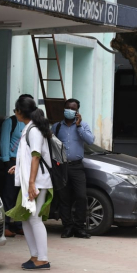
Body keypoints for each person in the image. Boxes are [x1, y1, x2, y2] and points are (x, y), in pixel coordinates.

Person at [6, 96, 53, 270]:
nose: (15, 113)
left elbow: (36, 156)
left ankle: (43, 259)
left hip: (38, 181)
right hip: (32, 181)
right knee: (26, 219)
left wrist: (32, 183)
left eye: (15, 110)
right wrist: (17, 168)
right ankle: (35, 256)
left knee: (34, 219)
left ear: (20, 112)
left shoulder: (33, 130)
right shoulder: (30, 128)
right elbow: (27, 157)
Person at [52, 98, 95, 239]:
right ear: (64, 109)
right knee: (64, 198)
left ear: (77, 111)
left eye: (73, 109)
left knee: (81, 197)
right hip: (61, 167)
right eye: (67, 108)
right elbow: (50, 145)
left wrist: (79, 126)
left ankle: (79, 228)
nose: (69, 111)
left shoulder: (84, 125)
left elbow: (90, 140)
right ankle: (67, 227)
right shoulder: (57, 127)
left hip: (77, 167)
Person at [0, 94, 33, 237]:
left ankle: (19, 224)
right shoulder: (11, 122)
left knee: (22, 195)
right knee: (9, 195)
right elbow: (4, 143)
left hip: (26, 163)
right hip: (12, 162)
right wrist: (7, 162)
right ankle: (5, 225)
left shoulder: (30, 124)